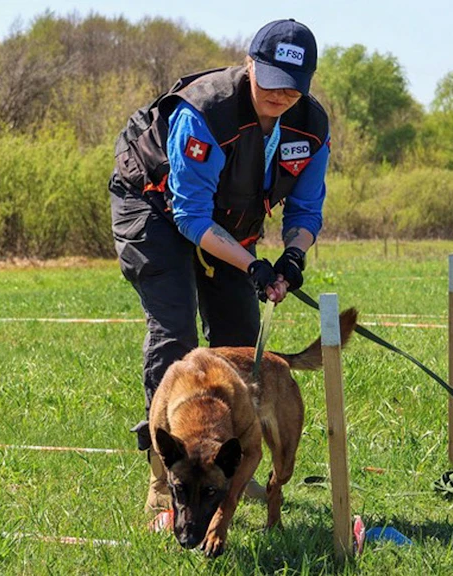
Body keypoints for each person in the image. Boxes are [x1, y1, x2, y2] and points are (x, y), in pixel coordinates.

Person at [109, 18, 330, 514]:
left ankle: (222, 469)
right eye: (270, 80)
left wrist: (292, 256)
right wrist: (252, 265)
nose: (279, 95)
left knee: (239, 338)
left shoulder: (312, 127)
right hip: (155, 208)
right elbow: (189, 213)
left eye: (292, 89)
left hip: (230, 222)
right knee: (177, 336)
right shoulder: (206, 111)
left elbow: (306, 210)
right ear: (249, 64)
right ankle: (165, 484)